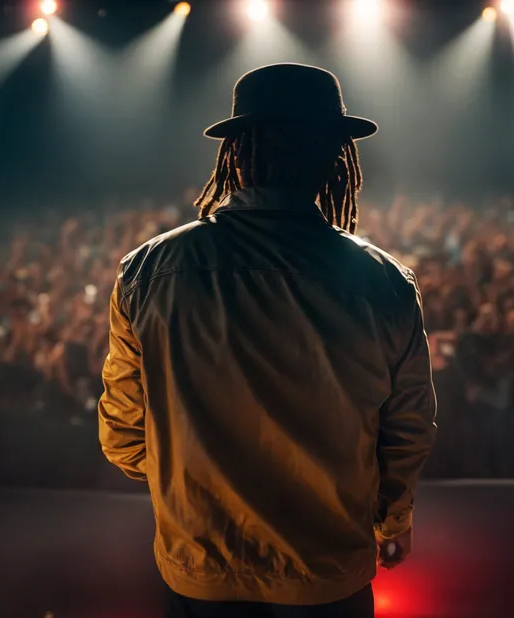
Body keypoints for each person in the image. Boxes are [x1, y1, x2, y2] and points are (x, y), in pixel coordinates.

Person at [98, 63, 436, 617]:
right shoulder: (384, 284)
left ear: (235, 154)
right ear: (335, 159)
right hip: (325, 576)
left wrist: (191, 482)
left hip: (198, 573)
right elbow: (406, 432)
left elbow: (122, 437)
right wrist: (391, 521)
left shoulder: (149, 272)